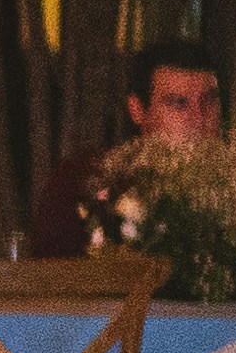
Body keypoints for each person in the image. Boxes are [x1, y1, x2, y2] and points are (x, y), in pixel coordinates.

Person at [30, 39, 222, 255]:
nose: (198, 119)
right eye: (179, 103)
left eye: (209, 102)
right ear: (138, 110)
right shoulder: (87, 182)